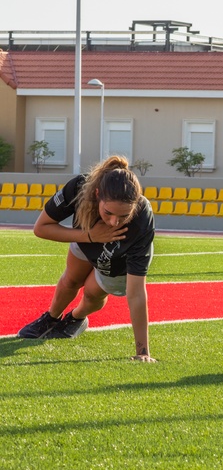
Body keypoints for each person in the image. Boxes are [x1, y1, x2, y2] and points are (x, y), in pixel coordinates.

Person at [17, 155, 157, 362]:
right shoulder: (79, 188)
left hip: (119, 257)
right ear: (97, 194)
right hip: (85, 237)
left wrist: (142, 352)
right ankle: (51, 319)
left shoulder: (142, 219)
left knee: (92, 294)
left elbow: (136, 292)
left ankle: (75, 318)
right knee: (71, 279)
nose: (113, 222)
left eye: (123, 216)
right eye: (108, 213)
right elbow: (41, 228)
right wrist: (89, 236)